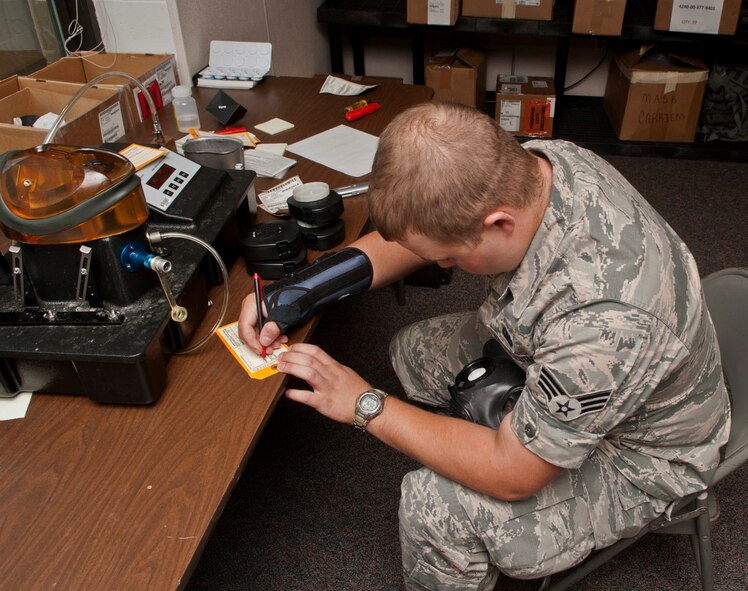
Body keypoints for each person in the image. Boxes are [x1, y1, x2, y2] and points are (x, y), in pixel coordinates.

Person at [238, 101, 730, 591]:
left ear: (498, 223)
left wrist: (365, 405)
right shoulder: (532, 166)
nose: (442, 266)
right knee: (414, 352)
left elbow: (512, 474)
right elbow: (413, 236)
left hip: (641, 453)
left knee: (433, 508)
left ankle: (497, 485)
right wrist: (300, 291)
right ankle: (512, 429)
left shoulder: (606, 321)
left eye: (449, 258)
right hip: (575, 350)